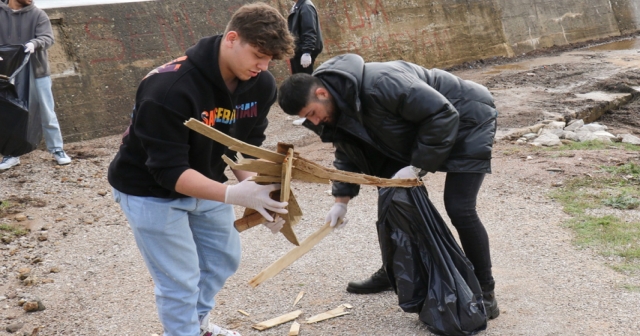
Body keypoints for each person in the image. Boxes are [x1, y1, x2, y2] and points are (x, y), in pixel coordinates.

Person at [107, 3, 294, 336]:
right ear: (232, 39)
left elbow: (242, 147)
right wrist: (233, 193)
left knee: (222, 258)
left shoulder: (261, 85)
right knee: (179, 281)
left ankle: (197, 324)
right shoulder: (167, 88)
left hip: (204, 178)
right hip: (148, 190)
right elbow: (167, 171)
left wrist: (258, 194)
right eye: (258, 55)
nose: (263, 67)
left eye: (270, 60)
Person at [278, 53, 500, 320]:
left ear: (323, 93)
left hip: (467, 117)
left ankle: (486, 290)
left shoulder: (380, 83)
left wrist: (417, 166)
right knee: (391, 200)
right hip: (421, 127)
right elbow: (347, 153)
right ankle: (394, 270)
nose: (314, 122)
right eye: (307, 119)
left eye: (312, 113)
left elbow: (441, 113)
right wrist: (341, 201)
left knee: (460, 207)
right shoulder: (336, 106)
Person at [0, 0, 72, 170]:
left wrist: (35, 44)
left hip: (37, 72)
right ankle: (11, 153)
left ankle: (57, 150)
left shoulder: (38, 14)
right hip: (8, 74)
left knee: (47, 111)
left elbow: (48, 38)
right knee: (11, 116)